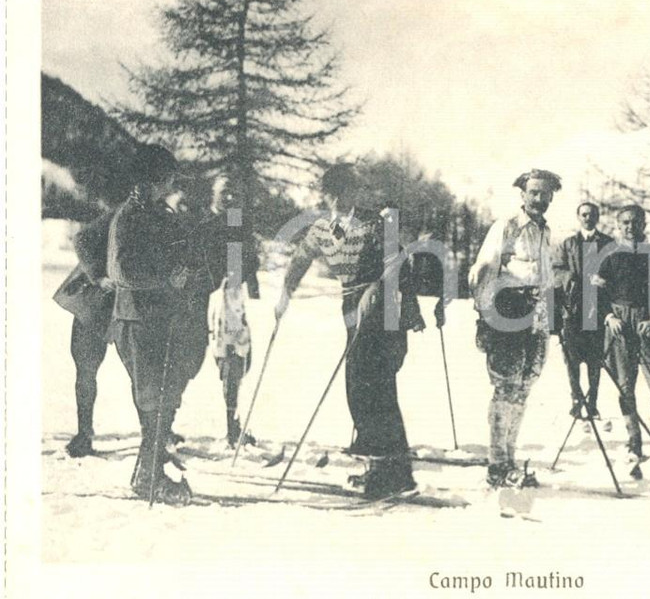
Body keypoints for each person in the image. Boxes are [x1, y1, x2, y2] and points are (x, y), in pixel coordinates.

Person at [275, 163, 426, 499]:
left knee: (375, 385)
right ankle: (382, 467)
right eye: (336, 195)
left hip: (382, 306)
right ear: (329, 195)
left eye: (349, 193)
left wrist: (376, 290)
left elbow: (397, 261)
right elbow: (300, 259)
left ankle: (393, 472)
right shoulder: (321, 229)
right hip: (351, 306)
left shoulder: (375, 222)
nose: (343, 200)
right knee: (359, 386)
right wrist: (285, 294)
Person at [107, 144, 194, 505]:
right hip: (137, 320)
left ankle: (151, 467)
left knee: (165, 395)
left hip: (161, 319)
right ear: (156, 177)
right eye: (169, 175)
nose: (173, 181)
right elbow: (121, 271)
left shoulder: (160, 214)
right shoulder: (128, 216)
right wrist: (165, 279)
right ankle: (149, 479)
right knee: (153, 400)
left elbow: (175, 253)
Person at [469, 168, 561, 488]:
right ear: (522, 195)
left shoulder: (545, 231)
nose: (539, 199)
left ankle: (510, 459)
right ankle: (496, 464)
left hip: (536, 315)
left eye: (545, 194)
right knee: (505, 387)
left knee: (524, 387)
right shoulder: (506, 227)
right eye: (534, 192)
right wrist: (484, 315)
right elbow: (482, 270)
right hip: (507, 310)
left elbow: (546, 277)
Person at [597, 205, 650, 481]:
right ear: (618, 225)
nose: (630, 226)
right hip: (619, 326)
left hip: (648, 326)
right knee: (624, 385)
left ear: (643, 223)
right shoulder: (607, 256)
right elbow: (596, 292)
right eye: (624, 222)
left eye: (635, 222)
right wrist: (608, 316)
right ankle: (634, 443)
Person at [194, 175, 262, 447]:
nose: (230, 198)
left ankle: (232, 425)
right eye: (224, 192)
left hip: (232, 300)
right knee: (210, 361)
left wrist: (250, 286)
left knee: (237, 360)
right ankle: (164, 429)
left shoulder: (237, 222)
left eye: (233, 192)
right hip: (206, 299)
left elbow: (247, 258)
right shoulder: (204, 224)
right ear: (213, 194)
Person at [52, 208, 116, 457]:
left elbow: (235, 244)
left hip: (142, 303)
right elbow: (82, 238)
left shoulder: (232, 214)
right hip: (97, 303)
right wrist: (99, 276)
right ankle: (84, 434)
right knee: (86, 369)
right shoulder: (126, 211)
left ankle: (159, 437)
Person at [552, 202, 614, 428]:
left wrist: (605, 281)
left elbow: (615, 271)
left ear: (597, 217)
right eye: (584, 214)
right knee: (572, 359)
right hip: (573, 309)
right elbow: (556, 270)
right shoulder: (568, 244)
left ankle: (592, 401)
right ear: (578, 217)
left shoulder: (608, 244)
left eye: (592, 214)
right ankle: (577, 401)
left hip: (597, 309)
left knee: (595, 359)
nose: (588, 218)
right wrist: (574, 279)